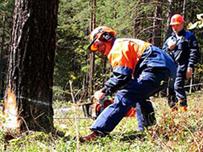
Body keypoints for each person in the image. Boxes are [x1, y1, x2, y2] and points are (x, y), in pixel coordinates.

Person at [80, 26, 176, 142]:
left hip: (156, 68)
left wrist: (104, 90)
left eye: (97, 45)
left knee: (124, 95)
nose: (98, 49)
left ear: (105, 37)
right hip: (166, 70)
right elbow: (126, 78)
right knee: (139, 96)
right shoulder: (125, 44)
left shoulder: (118, 47)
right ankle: (148, 129)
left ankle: (98, 132)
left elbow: (122, 76)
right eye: (95, 48)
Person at [163, 14, 199, 111]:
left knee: (178, 86)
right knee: (170, 89)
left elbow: (194, 52)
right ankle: (173, 112)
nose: (175, 27)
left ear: (182, 24)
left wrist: (190, 67)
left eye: (177, 25)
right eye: (173, 25)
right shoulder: (170, 39)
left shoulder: (189, 36)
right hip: (171, 67)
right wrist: (169, 48)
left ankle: (184, 110)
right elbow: (163, 53)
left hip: (183, 65)